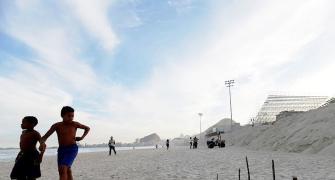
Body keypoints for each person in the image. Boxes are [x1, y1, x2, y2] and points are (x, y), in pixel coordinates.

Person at [40, 106, 90, 180]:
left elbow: (87, 128)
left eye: (72, 116)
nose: (71, 118)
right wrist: (42, 143)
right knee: (66, 170)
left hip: (72, 149)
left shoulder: (74, 124)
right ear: (62, 115)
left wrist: (82, 137)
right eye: (69, 116)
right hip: (61, 150)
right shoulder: (57, 125)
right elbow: (45, 136)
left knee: (63, 168)